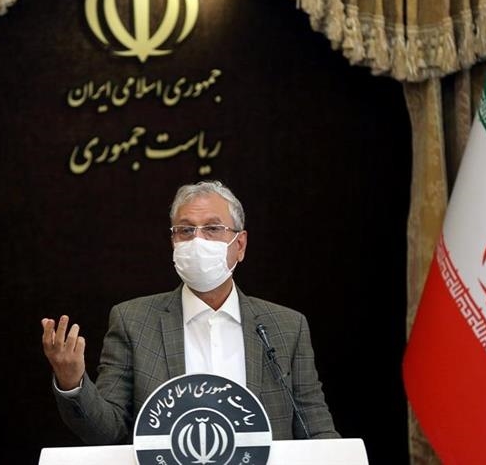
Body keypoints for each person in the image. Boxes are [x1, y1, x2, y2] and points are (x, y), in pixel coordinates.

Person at [41, 180, 339, 444]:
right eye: (185, 230)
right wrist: (73, 382)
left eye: (212, 229)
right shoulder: (133, 322)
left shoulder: (287, 327)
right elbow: (107, 432)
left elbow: (316, 429)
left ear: (240, 245)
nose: (198, 241)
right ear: (173, 242)